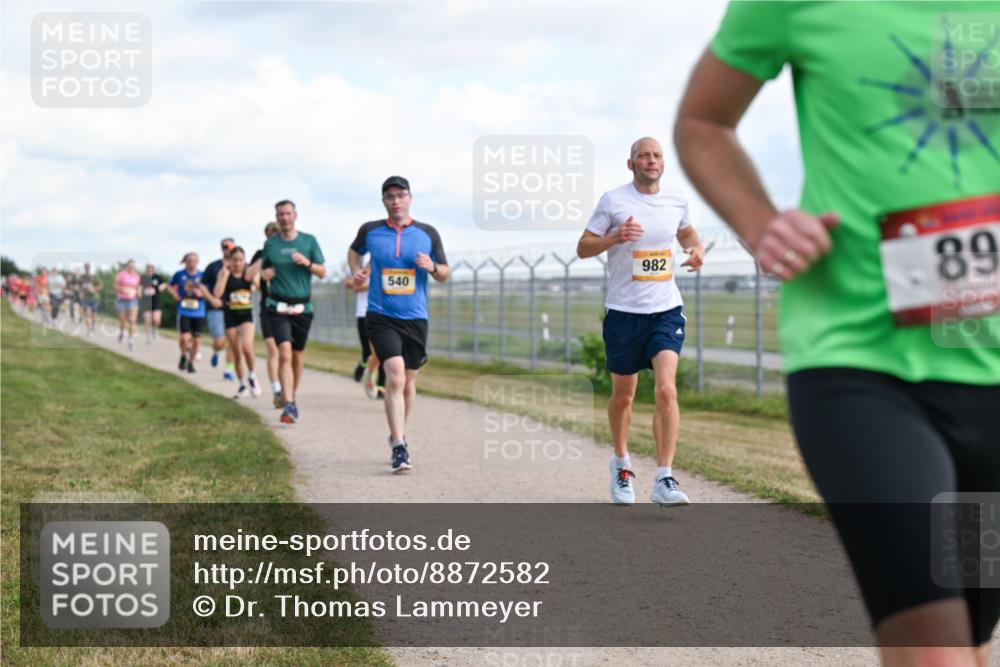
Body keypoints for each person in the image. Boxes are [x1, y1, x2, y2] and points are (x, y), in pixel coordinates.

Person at [675, 2, 999, 663]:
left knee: (970, 631)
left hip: (989, 371)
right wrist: (761, 221)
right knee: (934, 645)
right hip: (861, 364)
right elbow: (703, 120)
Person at [576, 137, 704, 507]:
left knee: (666, 389)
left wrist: (697, 249)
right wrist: (616, 236)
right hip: (623, 313)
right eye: (644, 156)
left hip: (665, 309)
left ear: (663, 163)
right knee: (624, 395)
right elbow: (583, 247)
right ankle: (621, 463)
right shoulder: (613, 201)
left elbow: (686, 231)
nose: (651, 160)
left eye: (657, 155)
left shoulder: (676, 200)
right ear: (631, 164)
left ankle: (664, 477)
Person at [348, 176, 450, 473]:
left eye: (400, 195)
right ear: (383, 201)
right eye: (390, 196)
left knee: (409, 381)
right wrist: (357, 272)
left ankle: (397, 433)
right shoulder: (370, 231)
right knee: (394, 377)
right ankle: (400, 446)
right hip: (381, 316)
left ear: (409, 198)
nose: (395, 201)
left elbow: (445, 272)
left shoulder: (427, 233)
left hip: (415, 317)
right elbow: (354, 252)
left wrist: (432, 267)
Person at [247, 200, 326, 424]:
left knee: (297, 357)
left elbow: (322, 272)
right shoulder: (270, 244)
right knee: (284, 353)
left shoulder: (309, 241)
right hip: (277, 306)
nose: (284, 218)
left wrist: (308, 263)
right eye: (280, 214)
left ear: (295, 215)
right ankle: (289, 403)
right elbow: (260, 273)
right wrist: (265, 275)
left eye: (287, 214)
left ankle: (292, 395)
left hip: (303, 307)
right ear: (277, 216)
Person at [213, 246, 261, 399]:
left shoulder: (248, 273)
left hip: (246, 314)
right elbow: (217, 294)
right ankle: (242, 384)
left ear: (244, 260)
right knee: (236, 352)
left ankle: (252, 376)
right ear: (229, 261)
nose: (238, 263)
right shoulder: (224, 273)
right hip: (230, 315)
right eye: (234, 260)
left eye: (241, 260)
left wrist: (254, 279)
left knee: (247, 346)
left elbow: (258, 286)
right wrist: (225, 275)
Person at [250, 222, 284, 407]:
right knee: (273, 349)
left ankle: (287, 388)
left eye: (276, 234)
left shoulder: (288, 254)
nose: (272, 237)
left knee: (287, 352)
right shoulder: (261, 254)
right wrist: (262, 260)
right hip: (268, 307)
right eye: (269, 235)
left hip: (288, 306)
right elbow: (250, 276)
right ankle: (276, 389)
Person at [345, 260, 386, 399]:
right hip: (364, 311)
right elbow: (352, 285)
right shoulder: (360, 258)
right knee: (369, 350)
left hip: (385, 311)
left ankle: (381, 387)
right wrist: (375, 285)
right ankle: (365, 366)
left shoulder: (387, 254)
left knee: (384, 351)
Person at [202, 238, 237, 380]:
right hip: (215, 307)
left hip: (233, 307)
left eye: (230, 246)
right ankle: (217, 351)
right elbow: (203, 286)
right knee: (220, 341)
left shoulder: (239, 265)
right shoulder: (213, 266)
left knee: (233, 341)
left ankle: (229, 370)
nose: (228, 249)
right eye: (225, 246)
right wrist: (211, 299)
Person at [167, 253, 207, 373]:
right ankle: (184, 355)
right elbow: (169, 286)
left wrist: (201, 293)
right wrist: (175, 295)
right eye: (189, 261)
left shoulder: (202, 275)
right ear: (185, 262)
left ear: (198, 261)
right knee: (184, 338)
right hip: (184, 310)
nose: (191, 263)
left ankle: (191, 362)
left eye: (194, 261)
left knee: (196, 340)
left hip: (198, 312)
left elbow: (208, 290)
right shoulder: (180, 275)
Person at [115, 260, 141, 350]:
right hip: (122, 300)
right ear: (127, 266)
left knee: (132, 320)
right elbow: (115, 286)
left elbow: (138, 287)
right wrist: (123, 289)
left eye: (133, 266)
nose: (131, 268)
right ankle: (122, 332)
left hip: (133, 300)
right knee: (122, 321)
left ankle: (131, 340)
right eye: (129, 266)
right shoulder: (121, 275)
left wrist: (138, 292)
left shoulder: (136, 276)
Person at [140, 263, 165, 343]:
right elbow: (139, 287)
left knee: (156, 319)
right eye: (148, 268)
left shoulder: (158, 277)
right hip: (146, 302)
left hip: (156, 301)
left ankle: (155, 329)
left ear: (154, 269)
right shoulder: (143, 277)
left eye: (152, 268)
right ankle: (148, 337)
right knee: (147, 320)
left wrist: (162, 287)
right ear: (146, 269)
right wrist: (139, 293)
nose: (150, 269)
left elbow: (164, 284)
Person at [79, 264, 102, 336]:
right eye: (86, 268)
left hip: (95, 298)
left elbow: (100, 286)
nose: (87, 269)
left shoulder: (94, 277)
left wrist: (94, 290)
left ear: (90, 268)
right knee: (88, 315)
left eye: (88, 268)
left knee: (93, 316)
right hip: (86, 299)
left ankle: (92, 326)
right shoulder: (82, 277)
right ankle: (89, 330)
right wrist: (81, 294)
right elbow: (79, 287)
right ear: (84, 268)